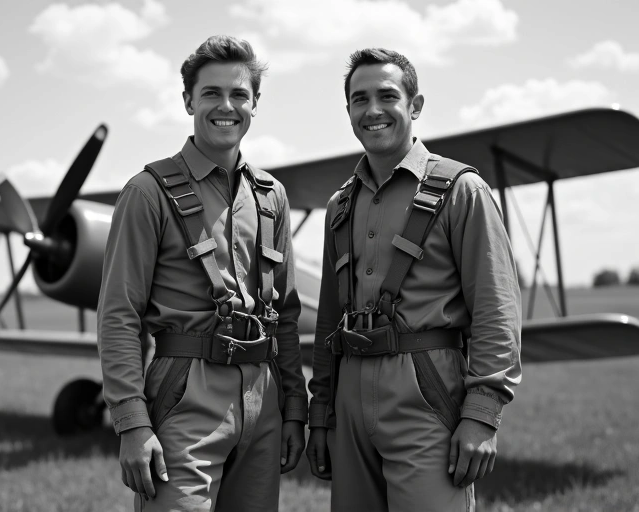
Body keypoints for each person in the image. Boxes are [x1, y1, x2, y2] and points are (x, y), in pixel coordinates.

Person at [305, 48, 522, 511]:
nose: (373, 110)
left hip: (426, 394)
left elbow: (496, 309)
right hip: (348, 398)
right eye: (359, 99)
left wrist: (482, 415)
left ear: (415, 105)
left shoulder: (464, 191)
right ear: (348, 112)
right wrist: (320, 413)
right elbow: (328, 321)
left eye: (387, 95)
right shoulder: (338, 207)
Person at [96, 35, 307, 512]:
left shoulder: (272, 196)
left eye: (238, 95)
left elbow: (286, 317)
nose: (225, 106)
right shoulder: (146, 192)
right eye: (211, 93)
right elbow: (119, 315)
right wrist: (133, 424)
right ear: (188, 99)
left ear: (255, 104)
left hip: (264, 399)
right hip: (183, 396)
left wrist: (293, 409)